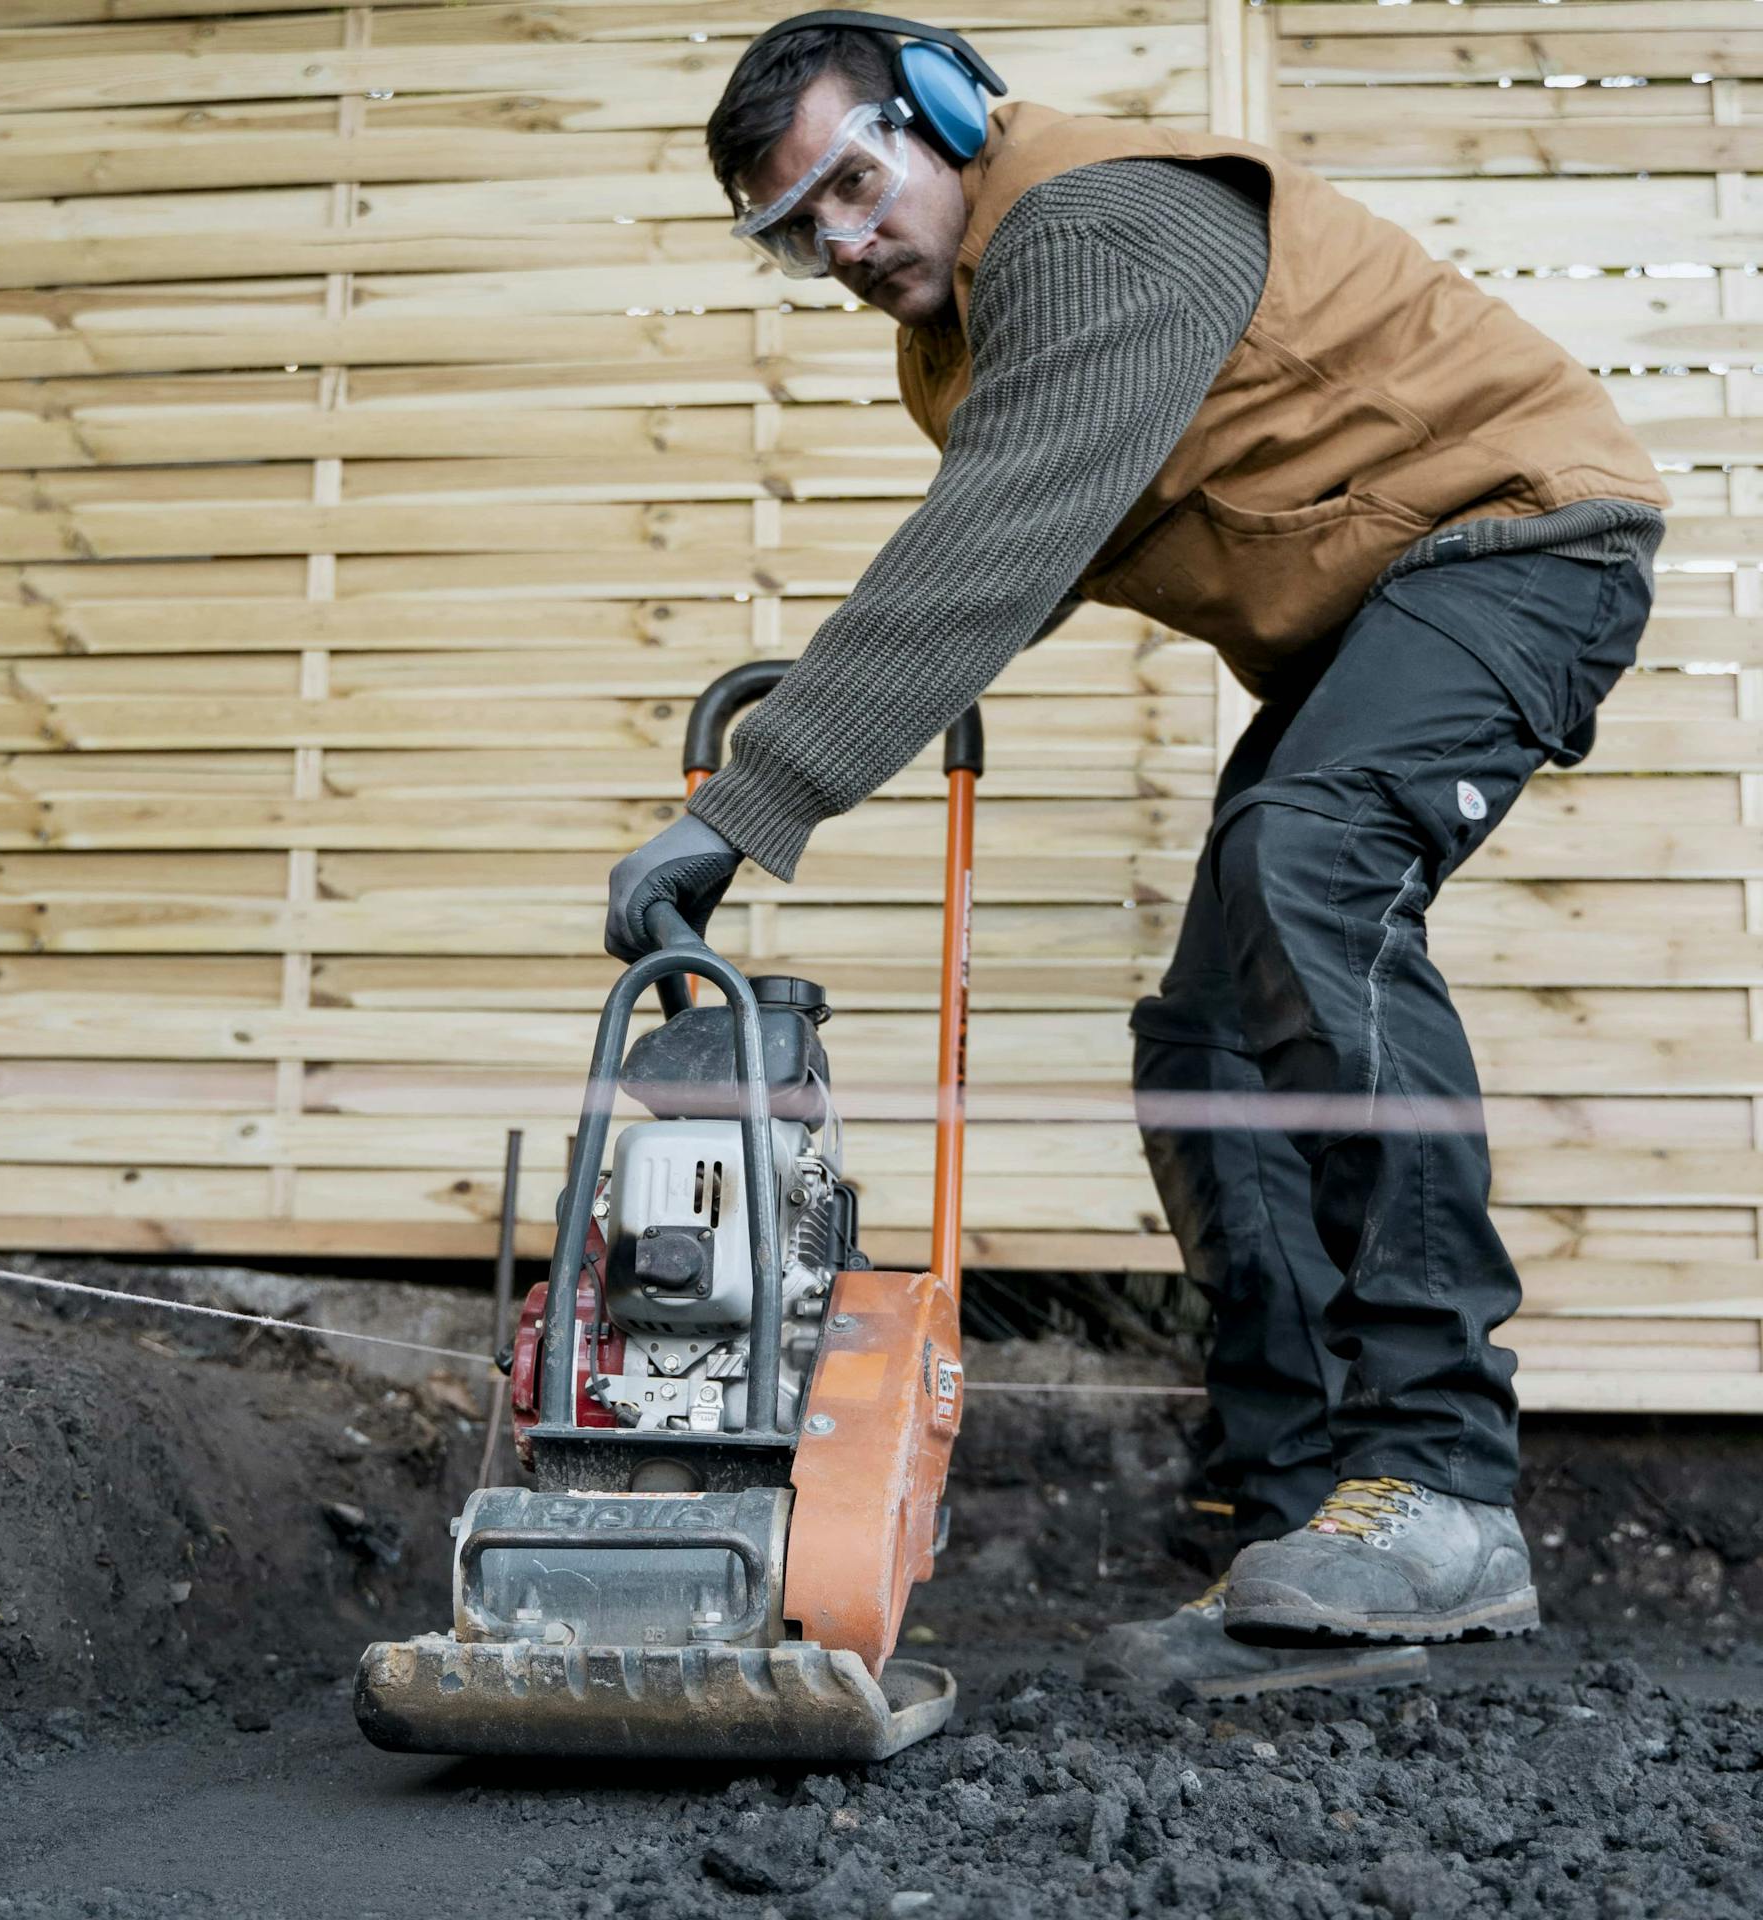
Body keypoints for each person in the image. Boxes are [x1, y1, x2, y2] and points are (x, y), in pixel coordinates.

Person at [603, 14, 1667, 1697]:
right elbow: (1009, 555)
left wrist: (754, 800)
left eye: (858, 186)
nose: (843, 243)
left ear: (945, 114)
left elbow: (995, 542)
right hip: (1374, 615)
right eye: (799, 229)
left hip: (1521, 546)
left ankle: (1442, 1483)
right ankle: (1310, 1501)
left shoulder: (1100, 227)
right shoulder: (955, 340)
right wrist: (787, 779)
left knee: (1306, 863)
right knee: (1211, 1034)